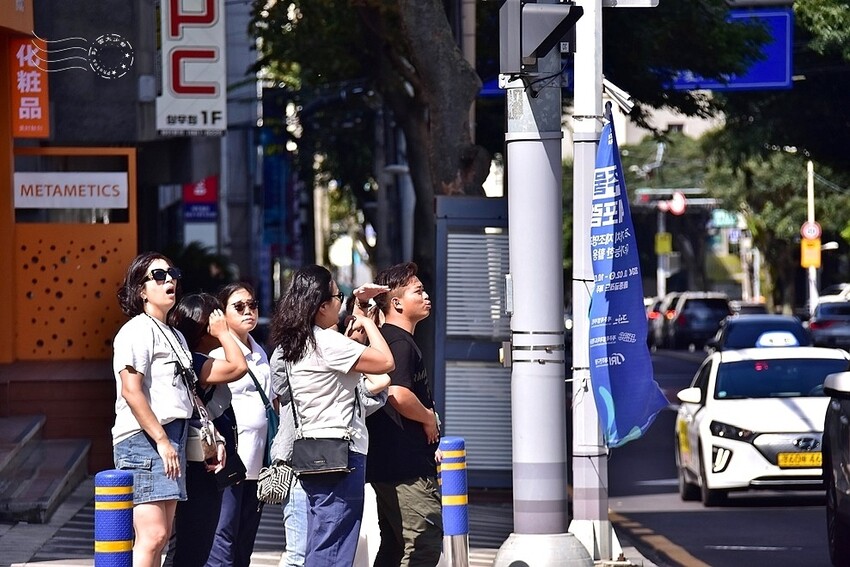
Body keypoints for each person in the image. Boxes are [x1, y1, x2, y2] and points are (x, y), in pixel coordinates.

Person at [267, 264, 394, 566]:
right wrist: (368, 321)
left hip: (313, 451)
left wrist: (359, 310)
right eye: (338, 296)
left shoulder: (298, 343)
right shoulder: (326, 342)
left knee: (321, 540)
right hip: (340, 454)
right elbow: (386, 361)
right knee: (334, 547)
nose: (341, 302)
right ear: (322, 305)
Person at [357, 262, 443, 567]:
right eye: (417, 291)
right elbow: (398, 395)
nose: (426, 296)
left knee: (395, 546)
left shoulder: (393, 340)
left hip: (395, 464)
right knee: (423, 544)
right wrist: (428, 417)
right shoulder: (397, 342)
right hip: (404, 466)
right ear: (396, 302)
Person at [111, 252, 194, 567]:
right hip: (144, 439)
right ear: (141, 290)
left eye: (172, 273)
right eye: (159, 276)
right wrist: (160, 440)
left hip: (171, 436)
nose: (169, 279)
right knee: (152, 536)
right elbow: (131, 391)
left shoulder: (174, 335)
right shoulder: (136, 331)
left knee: (162, 535)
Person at [163, 293, 248, 567]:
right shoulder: (195, 362)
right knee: (192, 548)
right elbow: (239, 367)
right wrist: (225, 334)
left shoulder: (198, 359)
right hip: (201, 467)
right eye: (216, 315)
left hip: (206, 462)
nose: (221, 319)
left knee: (191, 546)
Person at [207, 282, 273, 567]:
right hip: (230, 460)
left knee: (246, 538)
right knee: (223, 534)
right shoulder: (219, 356)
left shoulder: (260, 352)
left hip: (257, 461)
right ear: (222, 313)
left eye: (253, 304)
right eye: (239, 306)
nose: (249, 311)